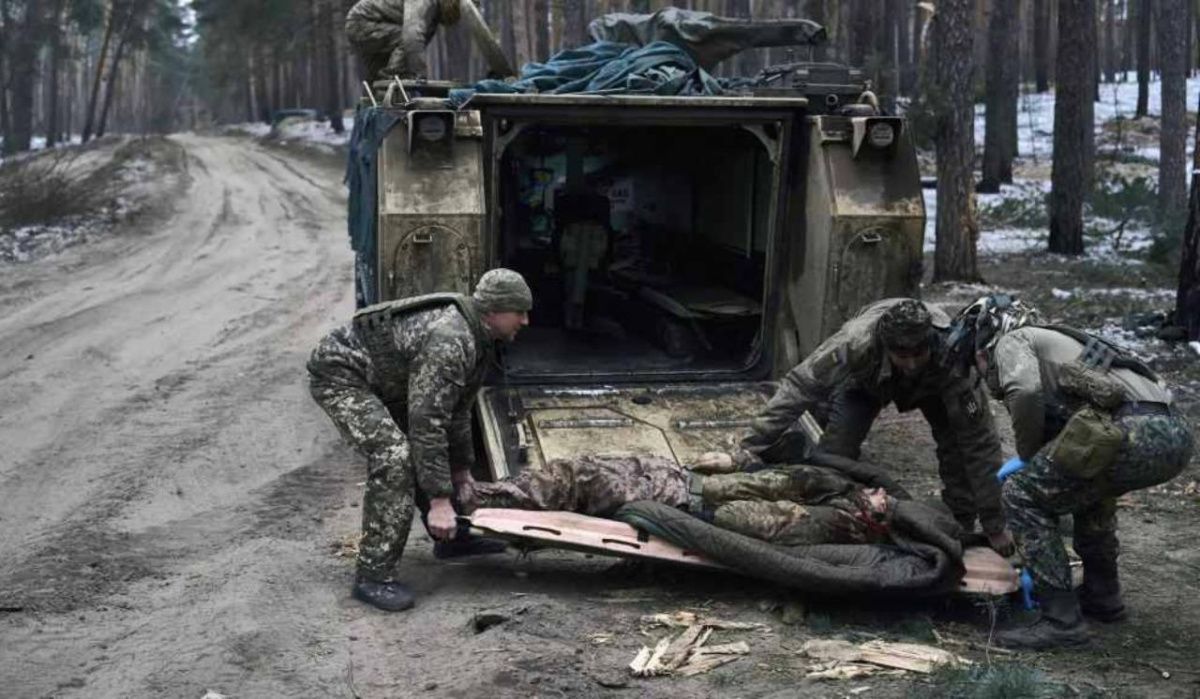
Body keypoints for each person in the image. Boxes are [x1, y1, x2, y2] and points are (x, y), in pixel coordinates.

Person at [952, 295, 1193, 649]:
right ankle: (1102, 596)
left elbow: (1026, 390)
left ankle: (1061, 621)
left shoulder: (1014, 340)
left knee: (1021, 495)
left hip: (1132, 431)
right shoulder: (1064, 342)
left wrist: (1029, 453)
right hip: (1175, 433)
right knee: (1087, 490)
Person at [704, 298, 1012, 554]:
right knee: (834, 456)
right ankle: (831, 518)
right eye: (902, 355)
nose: (911, 363)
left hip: (933, 387)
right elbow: (800, 387)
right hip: (866, 384)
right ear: (886, 346)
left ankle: (955, 527)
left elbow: (979, 443)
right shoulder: (856, 342)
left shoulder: (952, 357)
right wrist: (746, 451)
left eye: (919, 353)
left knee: (958, 452)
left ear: (930, 343)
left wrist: (994, 524)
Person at [307, 269, 532, 611]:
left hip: (387, 380)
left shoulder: (480, 336)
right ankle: (373, 576)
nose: (526, 321)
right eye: (520, 311)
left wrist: (461, 471)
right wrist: (440, 500)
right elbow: (427, 423)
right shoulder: (451, 339)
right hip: (343, 375)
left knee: (426, 449)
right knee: (394, 456)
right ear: (494, 311)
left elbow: (457, 410)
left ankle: (451, 539)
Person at [461, 455, 896, 547]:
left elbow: (734, 519)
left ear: (873, 518)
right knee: (578, 470)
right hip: (677, 477)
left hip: (679, 499)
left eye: (884, 501)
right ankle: (481, 496)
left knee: (577, 479)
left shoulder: (830, 522)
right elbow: (775, 472)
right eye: (880, 491)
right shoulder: (831, 489)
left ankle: (473, 500)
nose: (882, 494)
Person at [345, 0, 461, 80]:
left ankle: (375, 100)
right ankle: (391, 76)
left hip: (370, 24)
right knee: (407, 40)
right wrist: (420, 75)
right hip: (362, 23)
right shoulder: (425, 3)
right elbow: (411, 38)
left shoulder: (434, 14)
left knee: (379, 74)